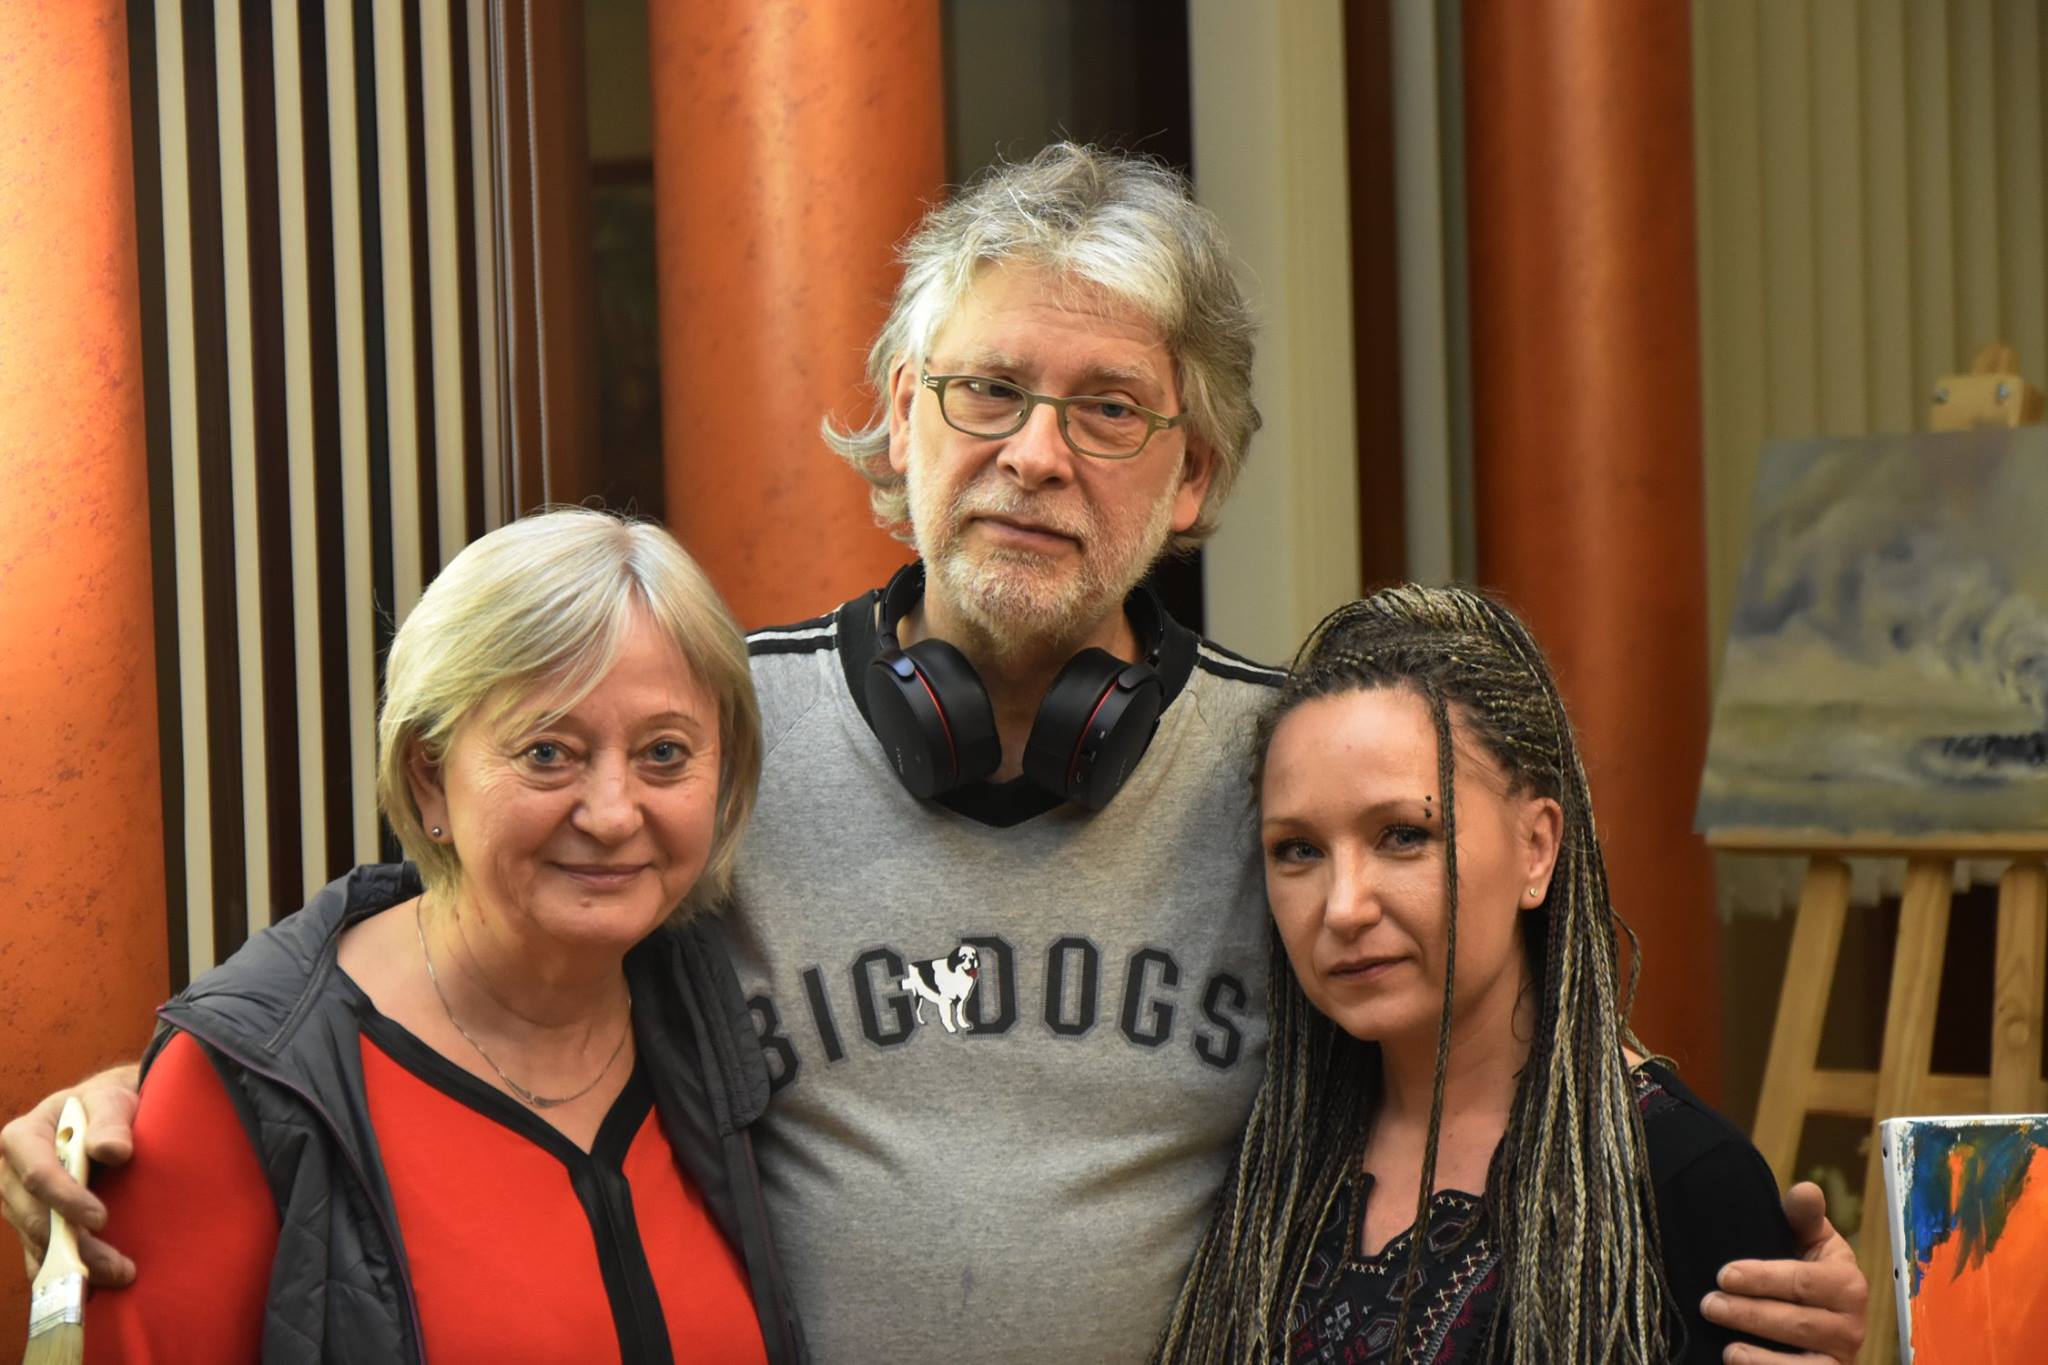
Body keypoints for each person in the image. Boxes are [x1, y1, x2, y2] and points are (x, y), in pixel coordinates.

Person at [9, 145, 1863, 1363]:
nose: (1034, 454)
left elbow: (1492, 985)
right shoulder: (715, 745)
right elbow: (452, 894)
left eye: (1110, 409)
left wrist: (1719, 1223)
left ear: (1195, 478)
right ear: (900, 419)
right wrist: (159, 1081)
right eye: (986, 390)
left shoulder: (1282, 777)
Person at [62, 508, 804, 1361]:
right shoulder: (237, 1088)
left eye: (665, 753)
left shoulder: (718, 1002)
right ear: (430, 777)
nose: (611, 813)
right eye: (549, 752)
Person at [1160, 585, 1822, 1362]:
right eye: (1298, 849)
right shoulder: (1263, 1151)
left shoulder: (1679, 1176)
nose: (1342, 906)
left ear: (1536, 847)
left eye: (1403, 834)